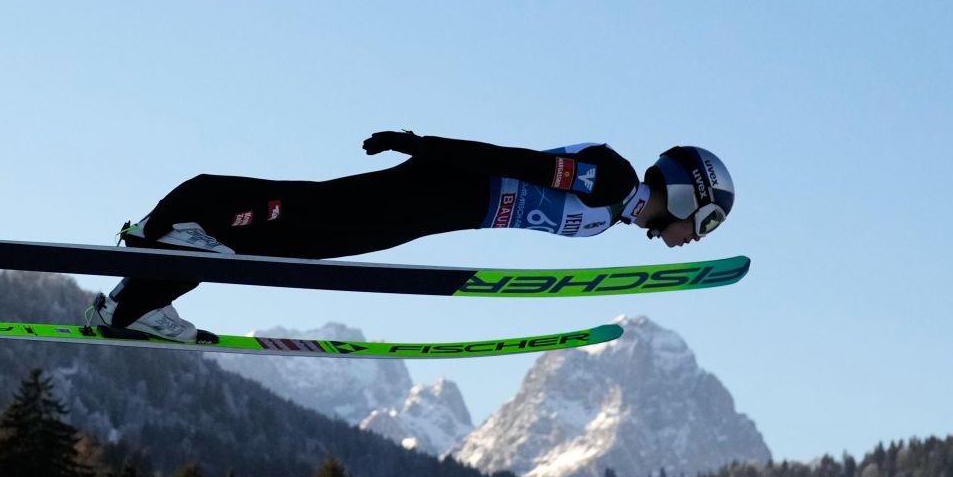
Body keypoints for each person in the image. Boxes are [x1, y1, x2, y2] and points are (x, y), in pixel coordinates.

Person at [88, 131, 735, 342]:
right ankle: (181, 220)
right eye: (704, 223)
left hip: (440, 211)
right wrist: (421, 144)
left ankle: (131, 306)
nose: (695, 239)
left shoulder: (613, 212)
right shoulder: (614, 177)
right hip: (442, 188)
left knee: (306, 244)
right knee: (311, 214)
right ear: (685, 195)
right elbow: (515, 161)